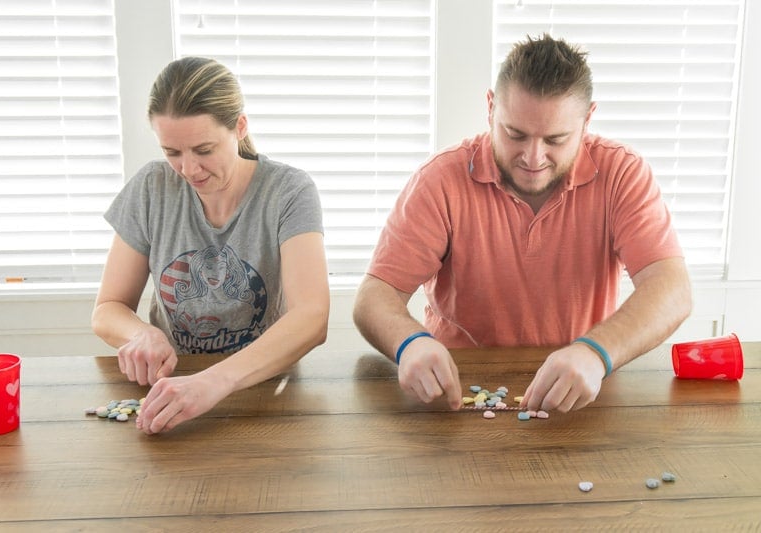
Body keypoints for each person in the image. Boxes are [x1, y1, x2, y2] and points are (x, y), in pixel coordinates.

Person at [352, 34, 692, 414]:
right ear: (490, 107)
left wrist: (596, 352)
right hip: (460, 393)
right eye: (515, 134)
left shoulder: (622, 173)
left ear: (587, 120)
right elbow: (373, 297)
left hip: (581, 388)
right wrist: (409, 342)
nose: (533, 157)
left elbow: (672, 289)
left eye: (556, 139)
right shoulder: (440, 180)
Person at [92, 57, 329, 434]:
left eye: (204, 149)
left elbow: (312, 318)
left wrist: (213, 382)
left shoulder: (289, 191)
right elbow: (107, 309)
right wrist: (142, 334)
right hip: (170, 390)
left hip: (263, 390)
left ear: (240, 127)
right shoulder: (151, 188)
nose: (189, 170)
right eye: (172, 152)